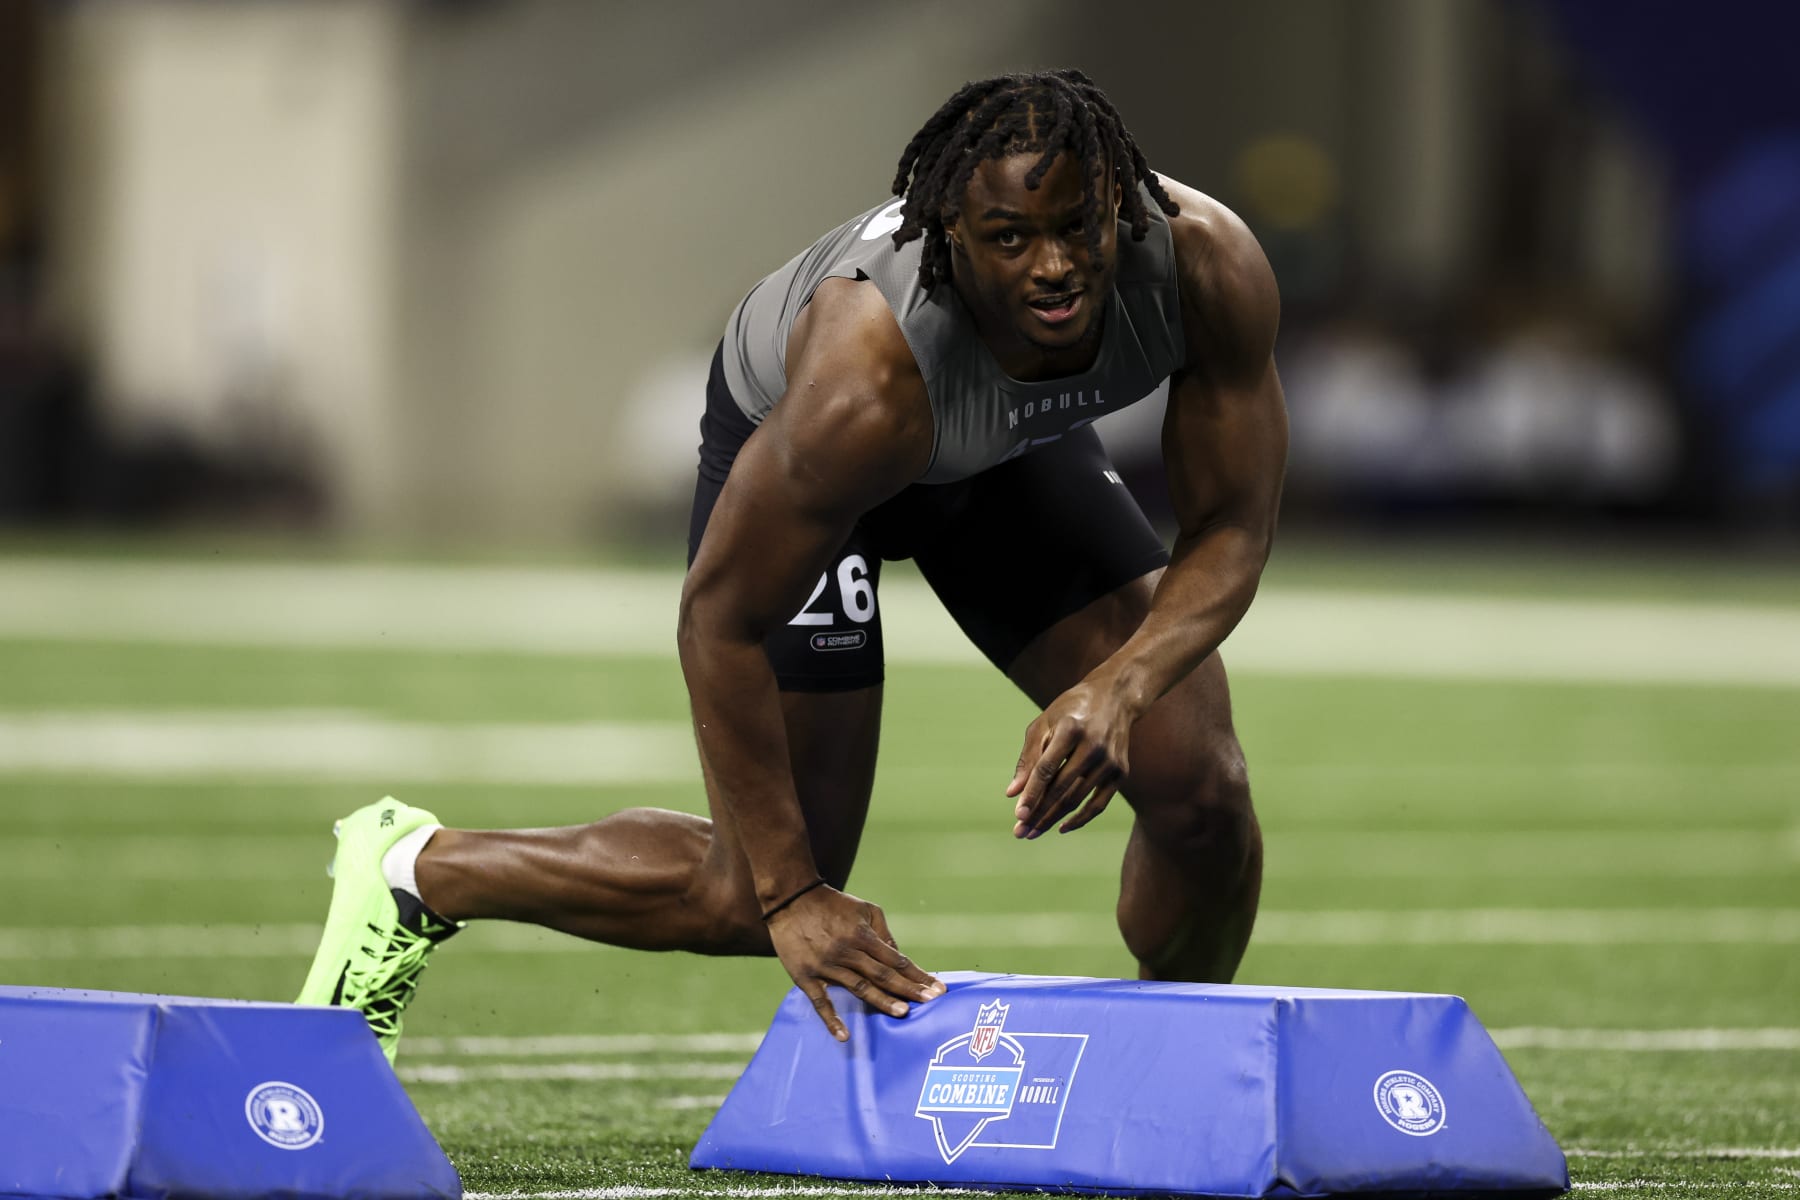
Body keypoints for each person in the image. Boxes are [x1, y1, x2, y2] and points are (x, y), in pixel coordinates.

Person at [297, 68, 1287, 1062]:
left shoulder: (1206, 266)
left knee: (1198, 784)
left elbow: (1234, 525)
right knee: (749, 892)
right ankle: (420, 871)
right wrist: (793, 892)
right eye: (1010, 239)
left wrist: (1118, 687)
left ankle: (1172, 1071)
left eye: (1078, 227)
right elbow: (716, 621)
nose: (1055, 267)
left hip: (1003, 453)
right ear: (949, 233)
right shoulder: (862, 378)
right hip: (827, 445)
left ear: (1119, 204)